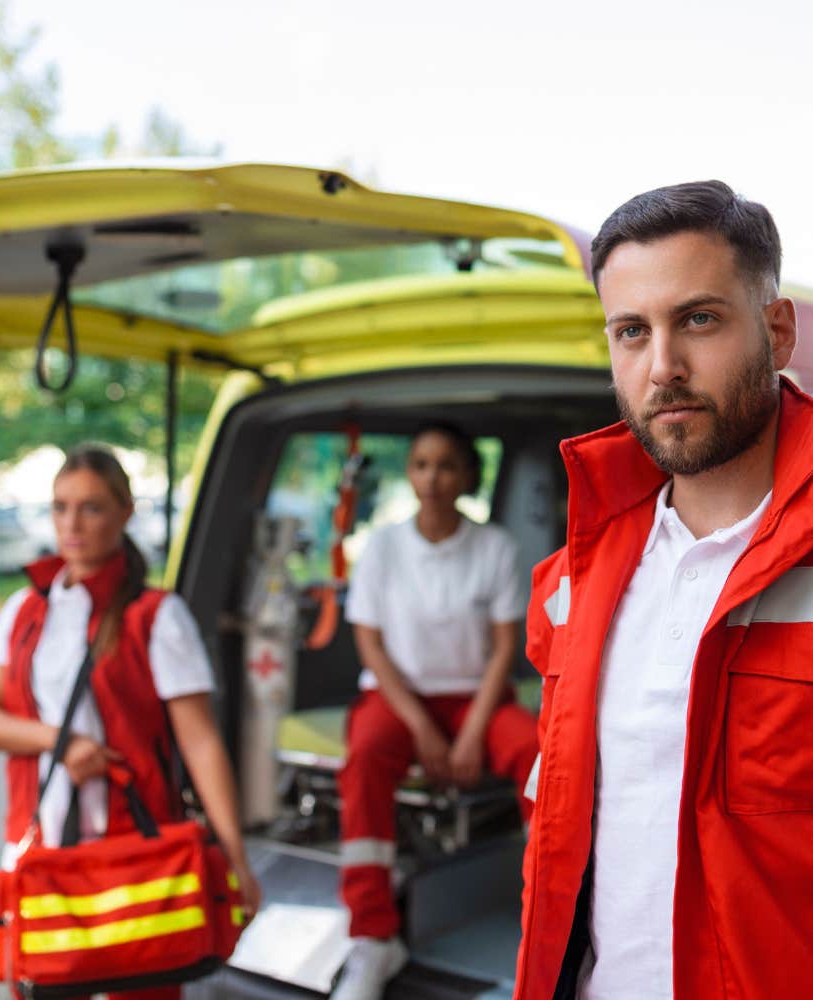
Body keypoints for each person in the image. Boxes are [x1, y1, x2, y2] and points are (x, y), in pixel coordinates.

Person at [512, 180, 811, 1000]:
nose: (663, 368)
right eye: (632, 332)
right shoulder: (576, 574)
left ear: (776, 331)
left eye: (700, 320)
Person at [0, 445, 261, 1000]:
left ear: (125, 512)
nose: (72, 524)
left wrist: (235, 855)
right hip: (40, 843)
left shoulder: (155, 615)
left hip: (136, 846)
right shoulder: (26, 609)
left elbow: (199, 742)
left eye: (92, 508)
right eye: (60, 507)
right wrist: (61, 743)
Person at [332, 421, 539, 1000]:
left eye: (447, 465)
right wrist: (421, 726)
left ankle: (547, 916)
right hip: (398, 698)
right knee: (366, 756)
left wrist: (472, 733)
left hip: (477, 697)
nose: (433, 477)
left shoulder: (495, 547)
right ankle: (372, 936)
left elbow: (504, 647)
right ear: (410, 472)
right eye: (421, 464)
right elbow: (370, 643)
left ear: (469, 476)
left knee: (539, 755)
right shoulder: (383, 546)